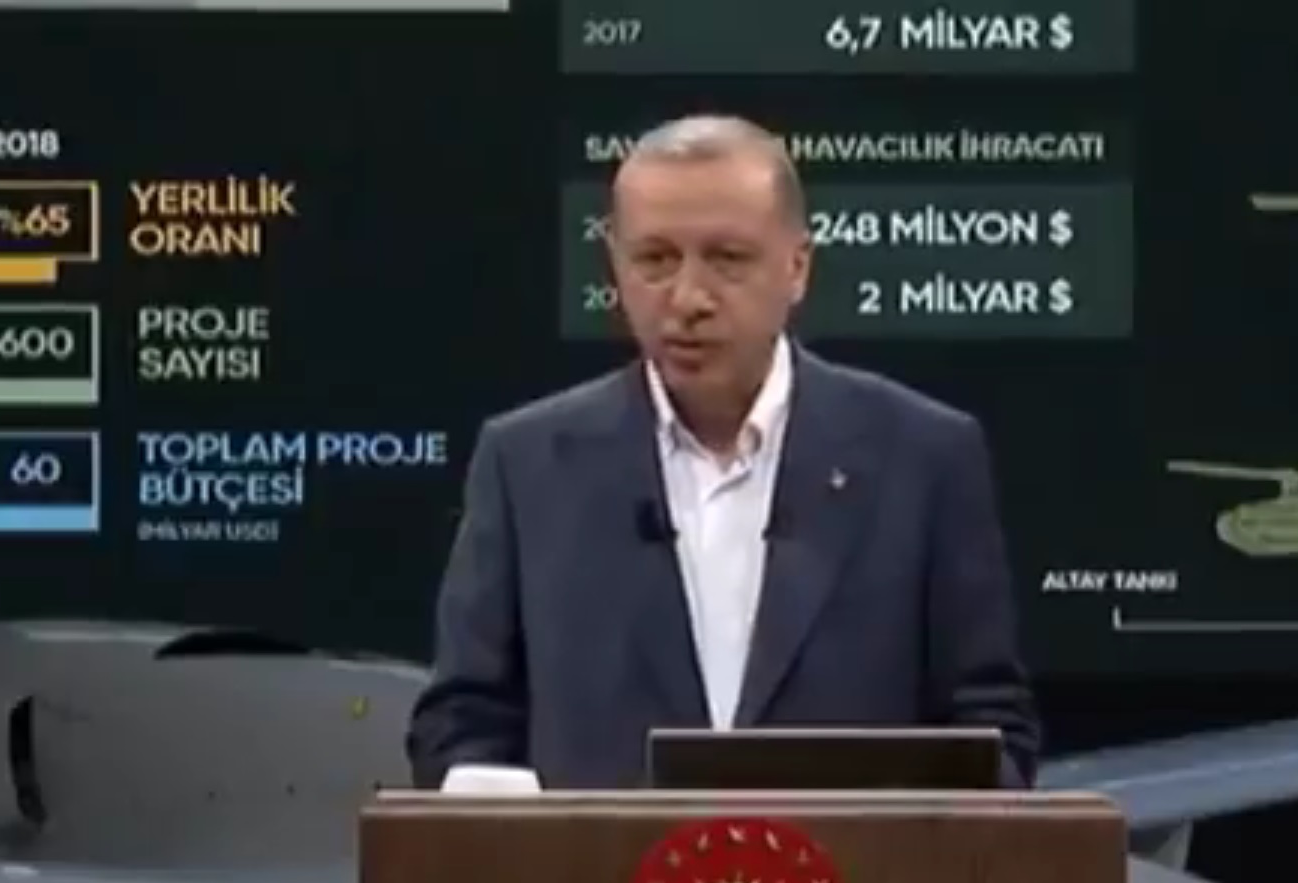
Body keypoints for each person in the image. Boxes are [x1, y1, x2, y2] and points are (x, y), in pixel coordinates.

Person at [406, 114, 1038, 789]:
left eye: (728, 259)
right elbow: (460, 726)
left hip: (853, 863)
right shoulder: (526, 465)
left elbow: (991, 735)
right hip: (601, 863)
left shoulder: (925, 458)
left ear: (797, 267)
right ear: (615, 265)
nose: (688, 298)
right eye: (655, 260)